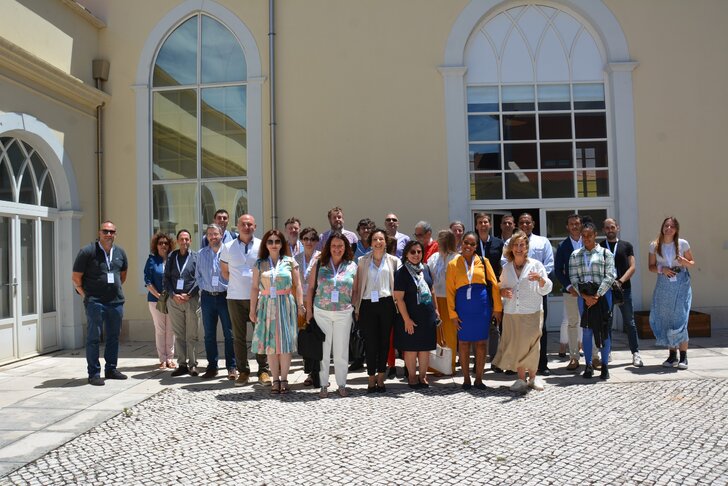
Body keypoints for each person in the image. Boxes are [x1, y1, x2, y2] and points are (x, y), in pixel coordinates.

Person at [493, 231, 552, 392]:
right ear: (511, 248)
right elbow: (500, 287)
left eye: (522, 245)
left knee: (532, 346)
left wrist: (540, 279)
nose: (519, 248)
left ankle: (533, 378)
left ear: (526, 248)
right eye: (516, 245)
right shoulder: (506, 268)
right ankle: (520, 379)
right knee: (518, 346)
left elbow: (547, 288)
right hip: (512, 312)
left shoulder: (536, 265)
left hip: (532, 311)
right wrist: (503, 292)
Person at [72, 221, 129, 386]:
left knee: (113, 337)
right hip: (95, 302)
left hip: (116, 302)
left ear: (115, 234)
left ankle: (111, 369)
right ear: (99, 233)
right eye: (105, 231)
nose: (108, 234)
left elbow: (122, 276)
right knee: (93, 338)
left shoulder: (120, 252)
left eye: (112, 232)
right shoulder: (87, 251)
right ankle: (94, 373)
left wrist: (112, 289)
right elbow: (76, 277)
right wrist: (86, 296)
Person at [249, 229, 305, 394]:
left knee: (285, 344)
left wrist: (300, 305)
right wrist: (252, 309)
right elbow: (254, 288)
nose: (274, 245)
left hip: (285, 304)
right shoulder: (259, 263)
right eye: (270, 241)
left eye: (277, 241)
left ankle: (285, 379)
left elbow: (298, 285)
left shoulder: (290, 262)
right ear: (265, 244)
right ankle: (275, 380)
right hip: (266, 305)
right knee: (271, 345)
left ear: (282, 244)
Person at [447, 231, 502, 390]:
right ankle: (466, 379)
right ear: (461, 243)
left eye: (472, 244)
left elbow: (494, 285)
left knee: (481, 343)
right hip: (463, 308)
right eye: (466, 242)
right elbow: (450, 291)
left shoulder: (484, 262)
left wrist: (497, 308)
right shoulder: (453, 264)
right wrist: (452, 314)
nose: (468, 246)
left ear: (476, 246)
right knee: (463, 343)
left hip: (482, 308)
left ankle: (479, 379)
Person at [306, 232, 358, 398]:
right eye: (334, 246)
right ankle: (323, 385)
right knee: (323, 350)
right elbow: (311, 288)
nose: (337, 249)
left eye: (340, 246)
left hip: (343, 312)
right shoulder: (319, 263)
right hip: (322, 311)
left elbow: (355, 290)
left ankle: (341, 384)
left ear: (345, 247)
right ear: (328, 247)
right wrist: (309, 311)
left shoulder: (352, 265)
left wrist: (353, 307)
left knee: (341, 350)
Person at [220, 214, 270, 386]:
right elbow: (224, 271)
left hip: (259, 297)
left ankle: (263, 370)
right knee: (238, 337)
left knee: (260, 335)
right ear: (237, 226)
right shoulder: (228, 247)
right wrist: (238, 282)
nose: (246, 227)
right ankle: (243, 371)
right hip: (235, 298)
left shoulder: (262, 245)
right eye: (243, 224)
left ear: (255, 227)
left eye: (250, 224)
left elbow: (266, 269)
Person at [505, 213, 554, 376]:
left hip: (536, 291)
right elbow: (505, 263)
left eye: (528, 222)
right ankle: (516, 367)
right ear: (517, 225)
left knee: (539, 330)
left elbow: (549, 264)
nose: (525, 225)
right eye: (522, 222)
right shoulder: (509, 242)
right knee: (517, 334)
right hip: (516, 295)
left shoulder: (543, 241)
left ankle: (541, 364)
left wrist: (538, 279)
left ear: (533, 224)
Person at [353, 228, 400, 392]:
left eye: (381, 239)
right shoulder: (362, 261)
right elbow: (357, 287)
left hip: (387, 304)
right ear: (370, 243)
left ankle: (381, 377)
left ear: (386, 242)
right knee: (370, 343)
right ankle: (371, 377)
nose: (378, 242)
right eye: (375, 239)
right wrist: (356, 308)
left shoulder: (394, 261)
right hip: (367, 305)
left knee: (384, 342)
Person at [569, 221, 616, 380]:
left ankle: (605, 365)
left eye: (590, 235)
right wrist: (585, 296)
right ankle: (588, 365)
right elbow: (573, 278)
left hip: (603, 296)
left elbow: (610, 275)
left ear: (595, 235)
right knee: (587, 330)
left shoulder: (605, 253)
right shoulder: (575, 255)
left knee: (604, 330)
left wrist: (597, 295)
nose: (586, 238)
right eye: (584, 235)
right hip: (584, 297)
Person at [648, 217, 695, 369]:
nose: (669, 228)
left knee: (680, 318)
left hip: (681, 283)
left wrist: (684, 262)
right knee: (667, 318)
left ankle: (683, 357)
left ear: (676, 229)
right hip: (664, 283)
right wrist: (662, 269)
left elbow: (691, 263)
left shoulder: (683, 243)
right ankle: (672, 356)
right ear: (662, 227)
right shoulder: (654, 245)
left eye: (672, 226)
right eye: (666, 226)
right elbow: (651, 266)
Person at [394, 240, 440, 388]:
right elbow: (399, 299)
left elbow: (432, 291)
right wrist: (406, 319)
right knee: (411, 348)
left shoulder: (425, 268)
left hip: (427, 315)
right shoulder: (401, 273)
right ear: (406, 254)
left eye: (419, 252)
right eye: (412, 252)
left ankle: (423, 376)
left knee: (425, 348)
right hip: (410, 316)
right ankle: (412, 376)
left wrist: (436, 310)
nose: (416, 254)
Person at [196, 224, 236, 380]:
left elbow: (233, 274)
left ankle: (231, 367)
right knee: (209, 335)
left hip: (224, 297)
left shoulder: (229, 252)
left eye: (215, 234)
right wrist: (204, 287)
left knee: (229, 334)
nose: (213, 237)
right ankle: (212, 367)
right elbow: (198, 275)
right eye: (210, 234)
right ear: (206, 237)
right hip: (207, 298)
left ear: (221, 235)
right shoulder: (201, 254)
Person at [602, 217, 642, 367]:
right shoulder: (600, 247)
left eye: (612, 227)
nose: (610, 230)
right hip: (607, 290)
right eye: (607, 228)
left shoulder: (626, 246)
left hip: (624, 289)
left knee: (629, 322)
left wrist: (620, 281)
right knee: (607, 322)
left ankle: (635, 353)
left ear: (617, 228)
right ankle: (607, 351)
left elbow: (632, 267)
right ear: (603, 230)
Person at [164, 229, 199, 377]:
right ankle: (182, 364)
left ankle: (193, 364)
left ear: (190, 241)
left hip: (191, 300)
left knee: (191, 334)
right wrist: (173, 295)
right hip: (174, 301)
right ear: (177, 241)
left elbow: (199, 279)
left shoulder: (196, 257)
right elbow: (166, 278)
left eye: (187, 239)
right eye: (181, 239)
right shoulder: (172, 257)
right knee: (179, 334)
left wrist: (189, 294)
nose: (184, 242)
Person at [473, 212, 504, 369]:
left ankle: (495, 360)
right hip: (476, 289)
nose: (483, 225)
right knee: (477, 325)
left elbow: (503, 265)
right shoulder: (472, 242)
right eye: (480, 222)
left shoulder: (498, 243)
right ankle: (478, 361)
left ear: (490, 224)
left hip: (494, 288)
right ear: (476, 225)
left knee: (494, 326)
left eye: (485, 222)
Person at [427, 230, 460, 374]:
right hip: (435, 299)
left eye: (440, 241)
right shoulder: (434, 257)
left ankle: (448, 366)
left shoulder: (456, 258)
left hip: (450, 299)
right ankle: (435, 366)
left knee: (449, 333)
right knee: (436, 333)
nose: (438, 243)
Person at [554, 214, 584, 371]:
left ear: (581, 225)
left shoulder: (588, 241)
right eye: (571, 224)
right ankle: (573, 357)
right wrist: (568, 287)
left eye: (577, 223)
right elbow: (558, 270)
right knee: (572, 323)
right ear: (567, 227)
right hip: (571, 291)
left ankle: (593, 356)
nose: (574, 226)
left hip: (589, 291)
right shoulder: (562, 246)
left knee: (589, 323)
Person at [143, 231, 176, 369]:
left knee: (171, 329)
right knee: (160, 329)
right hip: (155, 300)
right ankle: (162, 359)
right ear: (156, 245)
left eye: (166, 243)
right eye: (160, 243)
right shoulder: (152, 260)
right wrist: (158, 295)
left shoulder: (173, 260)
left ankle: (170, 358)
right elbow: (147, 281)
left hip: (172, 300)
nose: (163, 245)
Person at [294, 227, 322, 386]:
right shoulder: (295, 259)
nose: (309, 242)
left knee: (316, 337)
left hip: (317, 302)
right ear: (301, 241)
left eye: (312, 239)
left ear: (317, 241)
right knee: (304, 337)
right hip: (301, 303)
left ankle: (315, 372)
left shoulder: (322, 257)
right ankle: (308, 370)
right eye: (305, 239)